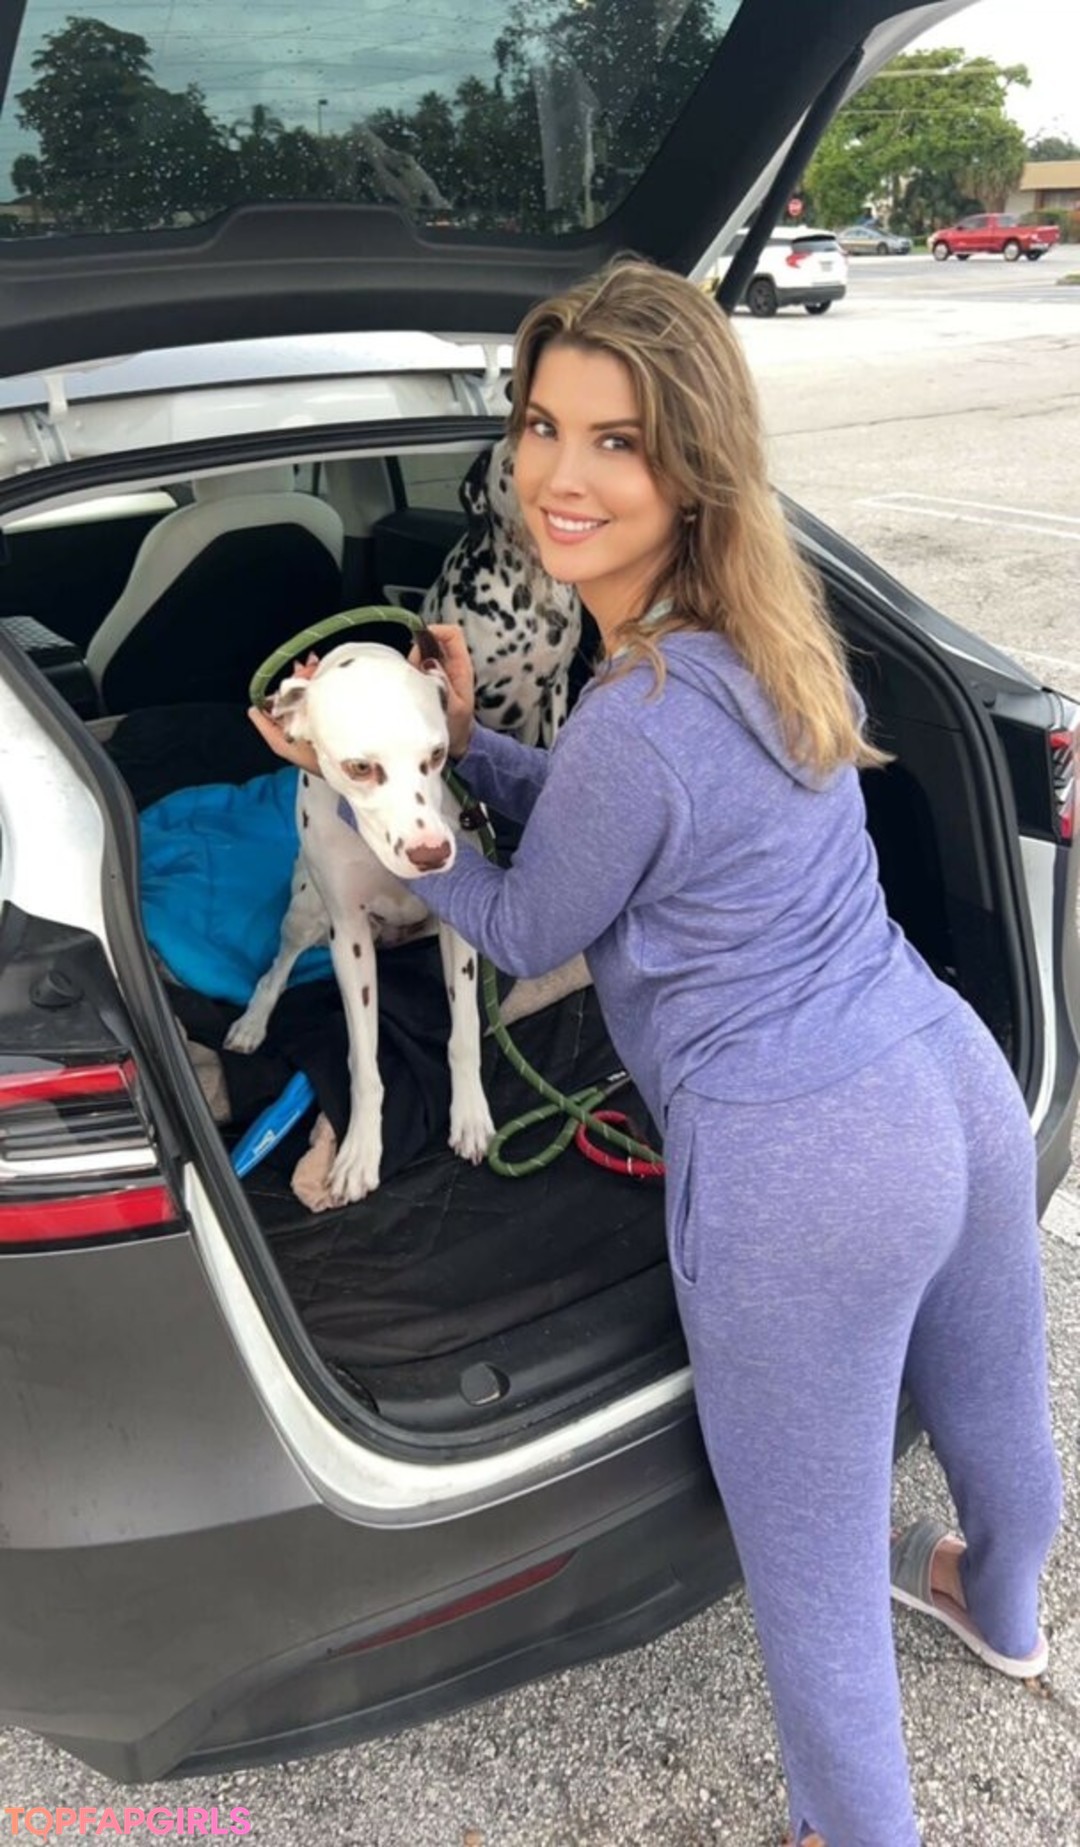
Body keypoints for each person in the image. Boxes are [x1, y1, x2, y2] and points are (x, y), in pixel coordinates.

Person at [251, 258, 1061, 1847]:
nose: (561, 473)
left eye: (616, 441)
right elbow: (627, 812)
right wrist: (457, 741)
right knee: (995, 1398)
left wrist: (394, 815)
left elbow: (522, 916)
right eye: (543, 427)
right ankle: (1008, 1606)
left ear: (690, 463)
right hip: (945, 1072)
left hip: (802, 1163)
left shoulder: (634, 717)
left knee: (813, 1570)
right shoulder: (765, 630)